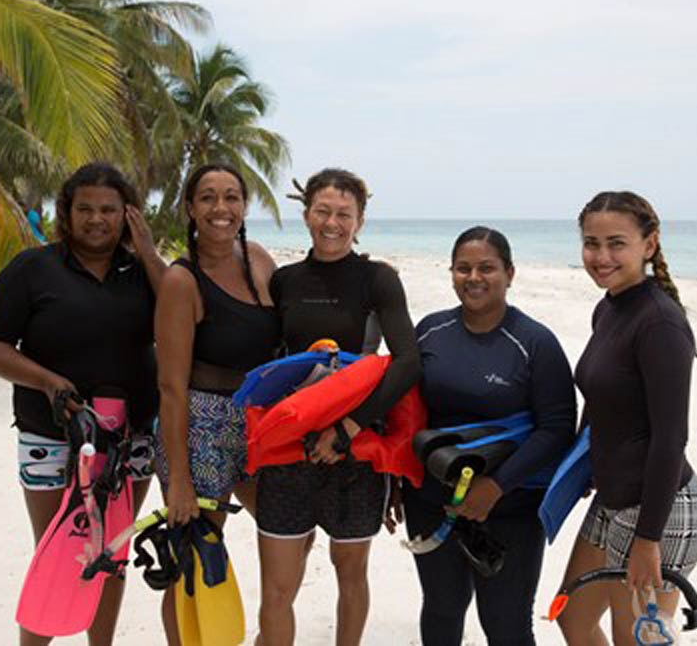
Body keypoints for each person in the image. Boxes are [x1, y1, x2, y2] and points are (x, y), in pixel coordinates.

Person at [0, 162, 166, 646]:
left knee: (112, 553)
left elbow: (189, 318)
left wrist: (148, 253)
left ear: (128, 214)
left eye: (109, 209)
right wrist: (48, 381)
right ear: (67, 212)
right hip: (51, 434)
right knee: (60, 553)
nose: (97, 219)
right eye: (85, 209)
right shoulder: (34, 268)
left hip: (130, 436)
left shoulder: (143, 272)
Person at [256, 168, 421, 646]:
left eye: (344, 214)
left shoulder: (378, 280)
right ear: (306, 214)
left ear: (360, 221)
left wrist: (348, 430)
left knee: (350, 574)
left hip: (357, 449)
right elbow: (271, 365)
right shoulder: (284, 281)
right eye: (323, 211)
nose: (332, 223)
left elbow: (407, 363)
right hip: (291, 448)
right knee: (277, 587)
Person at [399, 226, 577, 646]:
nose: (473, 277)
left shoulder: (535, 342)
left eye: (486, 268)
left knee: (506, 623)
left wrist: (494, 487)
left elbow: (557, 428)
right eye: (463, 268)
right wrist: (395, 478)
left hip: (511, 505)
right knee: (442, 608)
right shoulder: (430, 330)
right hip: (431, 499)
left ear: (509, 273)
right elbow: (407, 412)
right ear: (451, 273)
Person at [556, 191, 697, 646]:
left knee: (638, 641)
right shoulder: (608, 307)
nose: (601, 257)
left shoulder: (659, 323)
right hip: (613, 497)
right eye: (591, 243)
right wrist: (582, 465)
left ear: (649, 244)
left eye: (616, 243)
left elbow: (670, 439)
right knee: (574, 618)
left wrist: (648, 540)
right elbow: (602, 396)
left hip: (661, 509)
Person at [153, 163, 280, 640]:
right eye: (207, 197)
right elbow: (170, 385)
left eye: (231, 197)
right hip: (199, 423)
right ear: (190, 208)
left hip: (256, 421)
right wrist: (179, 481)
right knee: (195, 551)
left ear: (244, 206)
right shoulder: (180, 282)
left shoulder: (260, 260)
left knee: (286, 530)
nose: (220, 208)